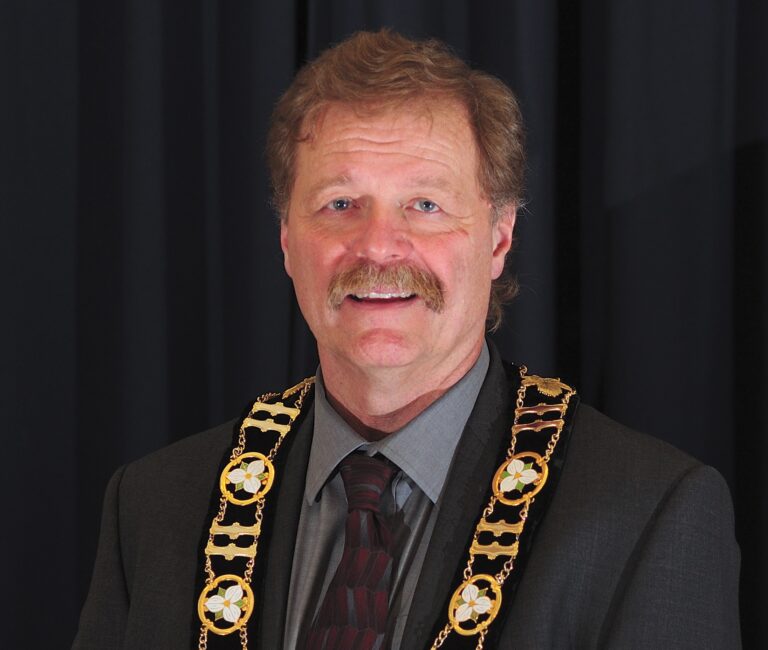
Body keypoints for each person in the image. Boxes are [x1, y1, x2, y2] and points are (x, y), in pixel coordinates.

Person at [73, 30, 740, 650]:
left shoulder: (646, 516)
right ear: (285, 240)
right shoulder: (156, 507)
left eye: (425, 205)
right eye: (340, 204)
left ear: (498, 238)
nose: (378, 246)